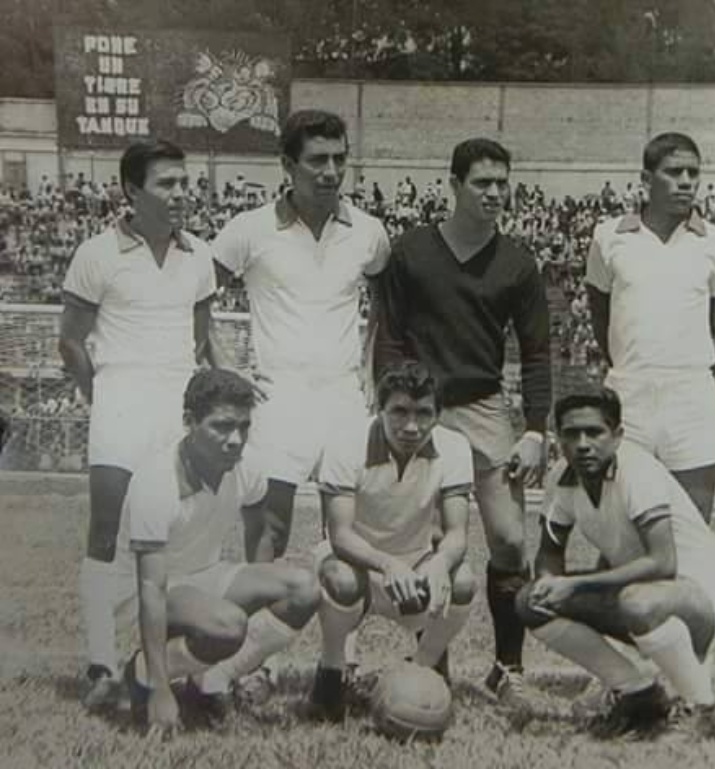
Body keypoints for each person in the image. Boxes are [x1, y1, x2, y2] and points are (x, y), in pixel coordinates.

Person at [375, 137, 552, 705]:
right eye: (482, 183)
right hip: (423, 408)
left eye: (503, 183)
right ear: (453, 185)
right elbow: (390, 336)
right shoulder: (410, 252)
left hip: (483, 405)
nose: (495, 193)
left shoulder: (519, 263)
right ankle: (435, 666)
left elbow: (537, 351)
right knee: (429, 541)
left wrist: (534, 428)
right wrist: (397, 408)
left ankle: (508, 666)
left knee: (506, 536)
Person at [58, 139, 223, 709]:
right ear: (132, 191)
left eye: (185, 182)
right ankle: (101, 663)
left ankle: (170, 663)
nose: (181, 193)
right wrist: (103, 394)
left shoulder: (199, 255)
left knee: (176, 529)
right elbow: (70, 341)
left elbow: (202, 337)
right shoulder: (97, 253)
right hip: (120, 400)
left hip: (176, 405)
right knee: (107, 531)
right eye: (167, 184)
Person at [516, 390, 715, 740]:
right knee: (530, 601)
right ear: (558, 438)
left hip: (710, 596)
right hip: (651, 595)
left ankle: (704, 710)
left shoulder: (637, 470)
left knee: (637, 603)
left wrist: (575, 584)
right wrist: (549, 582)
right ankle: (638, 695)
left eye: (594, 432)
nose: (582, 444)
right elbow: (550, 552)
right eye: (571, 433)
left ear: (618, 436)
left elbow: (662, 562)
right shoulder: (560, 478)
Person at [212, 110, 391, 560]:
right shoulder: (248, 230)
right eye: (317, 160)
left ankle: (339, 631)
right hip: (277, 394)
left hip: (344, 394)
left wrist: (373, 370)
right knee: (271, 527)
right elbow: (194, 293)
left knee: (348, 534)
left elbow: (385, 298)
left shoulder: (369, 232)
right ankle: (256, 627)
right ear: (288, 165)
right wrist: (227, 367)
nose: (331, 172)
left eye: (339, 159)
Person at [119, 369, 320, 730]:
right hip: (145, 592)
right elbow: (150, 589)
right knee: (228, 624)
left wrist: (258, 586)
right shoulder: (155, 480)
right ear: (189, 422)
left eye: (244, 427)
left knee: (303, 588)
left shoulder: (246, 466)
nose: (235, 439)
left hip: (204, 575)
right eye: (222, 426)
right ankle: (142, 675)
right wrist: (161, 692)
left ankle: (214, 680)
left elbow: (259, 531)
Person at [586, 132, 715, 522]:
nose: (686, 181)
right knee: (620, 520)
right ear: (646, 179)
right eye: (674, 172)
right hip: (628, 391)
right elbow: (600, 309)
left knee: (693, 523)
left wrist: (699, 370)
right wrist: (625, 364)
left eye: (693, 172)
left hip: (691, 395)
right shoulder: (609, 237)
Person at [308, 361, 475, 719]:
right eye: (399, 411)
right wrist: (387, 564)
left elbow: (457, 532)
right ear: (378, 409)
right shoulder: (345, 443)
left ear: (438, 414)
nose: (411, 426)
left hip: (415, 558)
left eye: (424, 413)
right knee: (340, 580)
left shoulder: (455, 447)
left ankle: (423, 670)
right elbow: (339, 534)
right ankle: (331, 672)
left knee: (463, 581)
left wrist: (440, 564)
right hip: (354, 560)